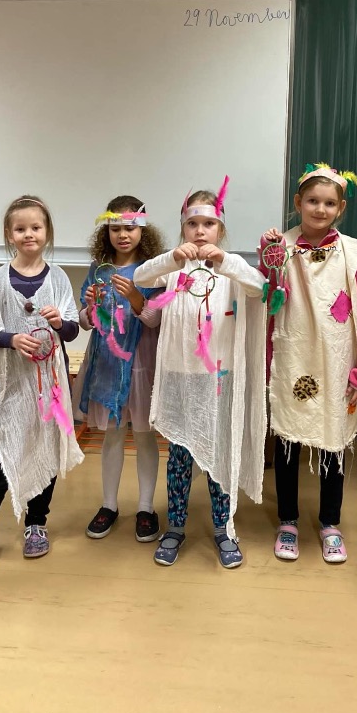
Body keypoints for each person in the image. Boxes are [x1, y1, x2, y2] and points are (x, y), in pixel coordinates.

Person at [134, 180, 267, 569]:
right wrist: (171, 259)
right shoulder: (175, 267)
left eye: (208, 224)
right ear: (183, 228)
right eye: (192, 224)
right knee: (179, 456)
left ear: (220, 229)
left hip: (219, 379)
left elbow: (259, 287)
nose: (200, 231)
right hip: (179, 376)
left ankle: (223, 528)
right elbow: (141, 277)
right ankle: (175, 527)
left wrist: (225, 261)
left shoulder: (232, 267)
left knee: (219, 454)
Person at [261, 163, 357, 565]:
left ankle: (330, 522)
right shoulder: (281, 246)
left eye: (329, 203)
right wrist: (267, 256)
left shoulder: (355, 253)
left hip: (338, 363)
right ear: (298, 203)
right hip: (292, 358)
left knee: (334, 440)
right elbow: (267, 296)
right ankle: (288, 521)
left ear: (340, 208)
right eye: (312, 200)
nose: (320, 209)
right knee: (288, 440)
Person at [0, 195, 84, 575]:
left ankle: (37, 523)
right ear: (9, 234)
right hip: (13, 386)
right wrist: (12, 338)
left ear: (47, 232)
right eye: (20, 228)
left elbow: (72, 329)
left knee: (46, 449)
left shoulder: (58, 277)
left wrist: (59, 323)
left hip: (51, 386)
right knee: (6, 457)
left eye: (36, 227)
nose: (29, 234)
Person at [77, 196, 165, 542]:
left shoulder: (152, 269)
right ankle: (109, 505)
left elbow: (156, 320)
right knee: (112, 434)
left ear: (142, 230)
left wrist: (135, 298)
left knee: (144, 435)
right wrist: (89, 308)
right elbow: (84, 321)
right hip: (107, 364)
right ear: (107, 231)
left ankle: (145, 507)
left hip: (142, 363)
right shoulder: (98, 268)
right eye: (115, 229)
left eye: (130, 228)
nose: (123, 235)